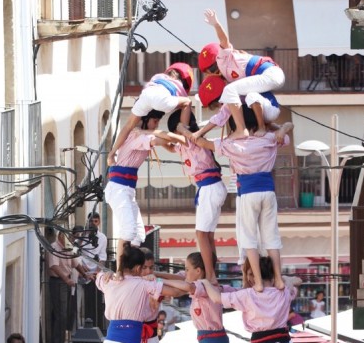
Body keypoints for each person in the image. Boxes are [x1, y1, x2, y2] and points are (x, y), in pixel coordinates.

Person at [194, 113, 293, 292]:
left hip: (248, 192)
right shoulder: (270, 138)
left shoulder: (232, 144)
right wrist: (272, 126)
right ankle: (278, 279)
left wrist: (204, 128)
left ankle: (259, 282)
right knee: (271, 237)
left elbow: (200, 142)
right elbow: (287, 129)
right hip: (268, 191)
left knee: (249, 239)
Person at [104, 111, 182, 264]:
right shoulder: (137, 136)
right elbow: (164, 139)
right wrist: (149, 132)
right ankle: (120, 271)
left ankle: (130, 266)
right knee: (128, 231)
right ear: (146, 120)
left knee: (139, 235)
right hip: (119, 188)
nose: (156, 125)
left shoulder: (142, 134)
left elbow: (170, 144)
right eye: (155, 121)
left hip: (127, 189)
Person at [199, 10, 285, 139]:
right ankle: (272, 127)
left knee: (230, 90)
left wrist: (216, 24)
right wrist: (201, 132)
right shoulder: (232, 79)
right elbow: (223, 113)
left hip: (271, 73)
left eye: (208, 72)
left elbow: (224, 40)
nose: (208, 76)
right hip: (270, 80)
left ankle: (241, 129)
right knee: (246, 95)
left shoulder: (222, 60)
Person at [166, 110, 227, 284]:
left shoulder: (191, 139)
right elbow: (171, 147)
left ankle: (210, 275)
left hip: (209, 187)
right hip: (211, 187)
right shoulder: (185, 144)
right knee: (207, 235)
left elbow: (185, 133)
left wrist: (180, 127)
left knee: (201, 234)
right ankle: (211, 273)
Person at [108, 64, 194, 168]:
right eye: (156, 121)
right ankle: (183, 134)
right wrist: (182, 134)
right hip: (161, 99)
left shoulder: (158, 77)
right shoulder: (180, 87)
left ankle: (111, 153)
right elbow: (183, 106)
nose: (156, 125)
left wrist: (112, 154)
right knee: (188, 102)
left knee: (128, 125)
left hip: (146, 95)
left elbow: (127, 128)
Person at [47, 229, 82, 343]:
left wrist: (86, 274)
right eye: (68, 237)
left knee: (64, 314)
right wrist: (66, 279)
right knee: (60, 315)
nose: (71, 240)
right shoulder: (54, 247)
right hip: (58, 282)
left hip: (65, 283)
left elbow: (75, 263)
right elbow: (54, 266)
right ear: (61, 236)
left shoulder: (68, 247)